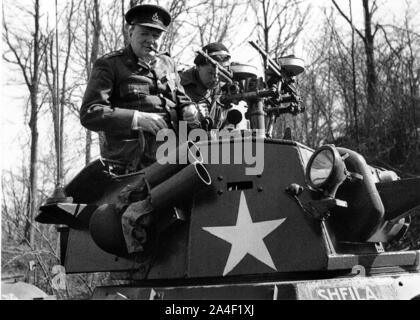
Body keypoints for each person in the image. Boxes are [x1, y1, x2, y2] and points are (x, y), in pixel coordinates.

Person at [80, 4, 198, 172]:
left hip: (174, 156)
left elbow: (180, 97)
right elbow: (90, 113)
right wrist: (136, 119)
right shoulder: (110, 65)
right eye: (144, 33)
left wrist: (188, 107)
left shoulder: (167, 63)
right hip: (132, 164)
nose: (150, 40)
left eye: (156, 35)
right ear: (130, 33)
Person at [180, 42, 232, 130]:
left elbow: (226, 125)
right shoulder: (180, 85)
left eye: (220, 74)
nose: (215, 79)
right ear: (199, 66)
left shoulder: (223, 91)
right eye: (210, 73)